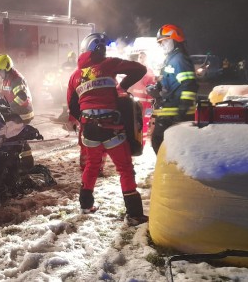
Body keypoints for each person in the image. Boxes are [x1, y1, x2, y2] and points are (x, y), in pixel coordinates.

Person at [67, 32, 148, 225]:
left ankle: (86, 205)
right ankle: (134, 214)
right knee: (125, 169)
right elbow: (139, 69)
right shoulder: (109, 63)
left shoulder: (75, 75)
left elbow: (72, 105)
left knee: (92, 165)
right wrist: (121, 87)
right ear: (101, 50)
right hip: (111, 127)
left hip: (89, 129)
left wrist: (85, 119)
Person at [146, 24, 198, 154]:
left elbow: (189, 84)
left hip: (175, 114)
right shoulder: (171, 59)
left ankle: (169, 173)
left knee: (166, 148)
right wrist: (156, 89)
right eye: (160, 43)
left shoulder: (179, 59)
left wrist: (183, 108)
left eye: (165, 41)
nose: (162, 45)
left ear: (175, 40)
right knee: (160, 145)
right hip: (168, 113)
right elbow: (169, 83)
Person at [0, 54, 35, 171]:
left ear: (6, 68)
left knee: (14, 137)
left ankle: (26, 164)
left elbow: (22, 96)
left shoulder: (16, 79)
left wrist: (9, 108)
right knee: (18, 138)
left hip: (23, 113)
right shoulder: (7, 79)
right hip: (16, 112)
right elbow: (4, 93)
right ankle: (26, 163)